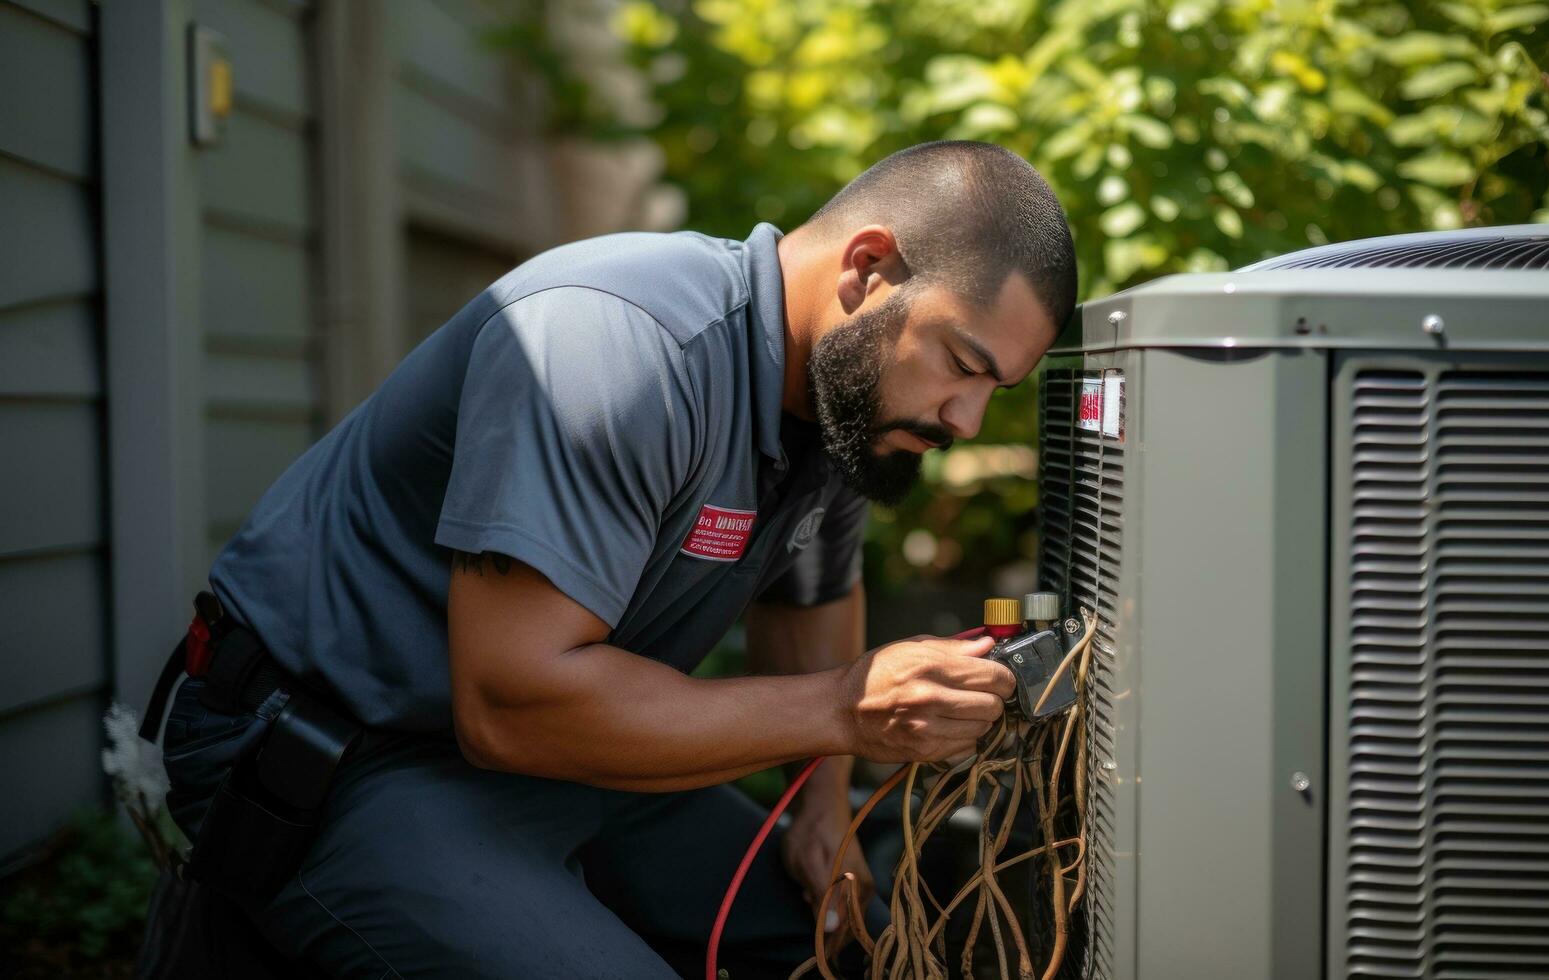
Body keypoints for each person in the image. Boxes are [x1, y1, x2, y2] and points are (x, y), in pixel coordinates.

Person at [157, 139, 1077, 978]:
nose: (965, 422)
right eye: (962, 363)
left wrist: (823, 813)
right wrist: (843, 710)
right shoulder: (619, 346)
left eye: (993, 389)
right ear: (866, 269)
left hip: (566, 755)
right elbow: (511, 708)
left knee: (837, 956)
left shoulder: (847, 397)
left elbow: (810, 600)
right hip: (343, 756)